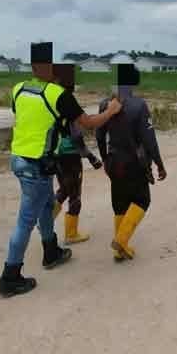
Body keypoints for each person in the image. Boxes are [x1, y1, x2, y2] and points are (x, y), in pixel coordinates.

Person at [0, 42, 121, 298]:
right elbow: (88, 123)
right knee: (25, 220)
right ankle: (10, 276)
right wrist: (111, 111)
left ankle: (51, 250)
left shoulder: (18, 89)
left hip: (19, 159)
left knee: (45, 205)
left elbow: (25, 117)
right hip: (36, 164)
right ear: (51, 67)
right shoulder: (58, 94)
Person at [96, 64, 167, 261]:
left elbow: (100, 136)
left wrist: (105, 159)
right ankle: (121, 240)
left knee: (120, 204)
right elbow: (149, 140)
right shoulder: (139, 105)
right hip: (134, 163)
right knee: (143, 200)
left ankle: (121, 250)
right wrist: (160, 164)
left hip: (113, 162)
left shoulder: (104, 105)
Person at [51, 63, 103, 245]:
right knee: (75, 195)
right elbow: (77, 135)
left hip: (56, 153)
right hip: (70, 155)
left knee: (63, 189)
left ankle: (46, 222)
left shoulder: (51, 99)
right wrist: (91, 157)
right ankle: (71, 233)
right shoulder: (67, 100)